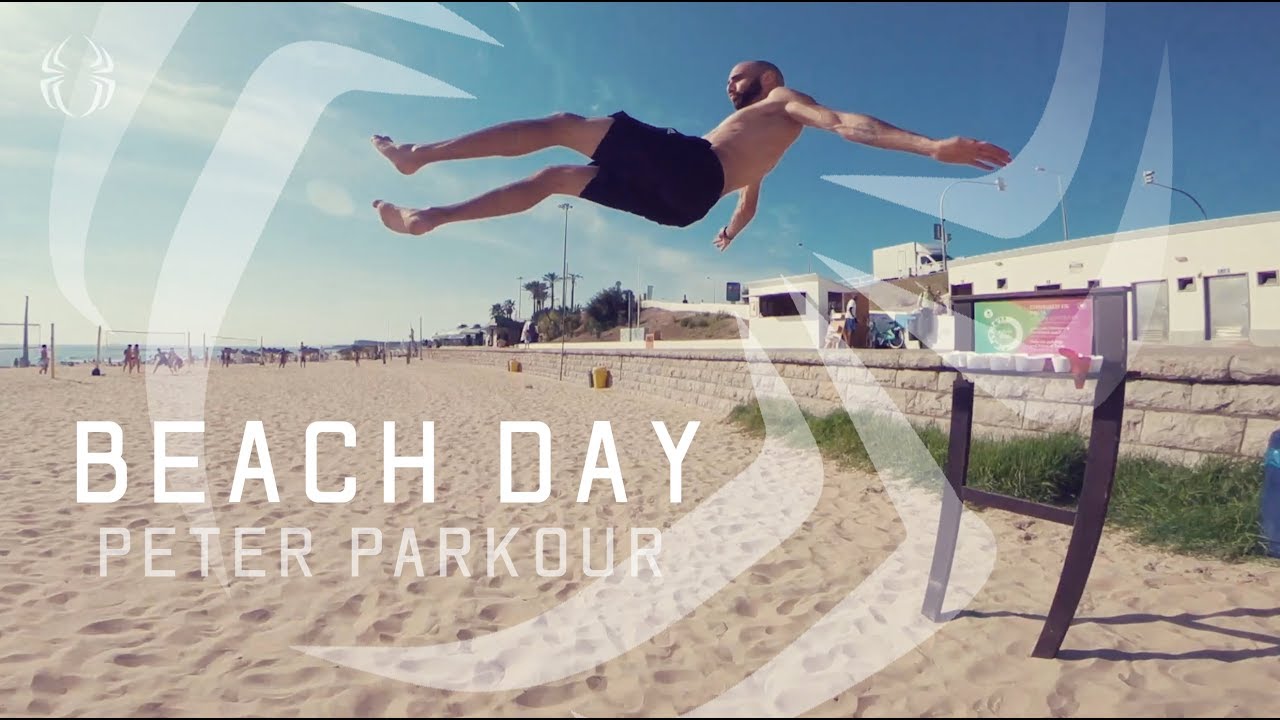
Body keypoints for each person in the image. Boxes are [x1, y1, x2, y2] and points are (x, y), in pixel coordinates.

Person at [369, 60, 1012, 252]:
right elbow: (751, 197)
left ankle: (419, 155)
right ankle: (432, 217)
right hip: (693, 204)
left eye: (738, 78)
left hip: (693, 172)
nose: (729, 86)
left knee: (565, 125)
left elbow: (844, 122)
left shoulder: (785, 99)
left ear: (765, 77)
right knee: (555, 177)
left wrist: (930, 147)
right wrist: (730, 231)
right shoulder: (764, 150)